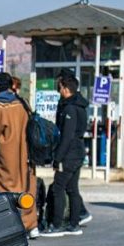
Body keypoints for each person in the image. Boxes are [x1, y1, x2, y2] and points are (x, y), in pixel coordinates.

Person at [0, 72, 37, 233]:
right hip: (27, 155)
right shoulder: (22, 104)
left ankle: (13, 227)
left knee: (7, 192)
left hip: (6, 157)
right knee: (27, 189)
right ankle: (31, 224)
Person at [41, 75, 88, 237]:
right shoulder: (80, 106)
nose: (58, 90)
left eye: (59, 87)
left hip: (69, 154)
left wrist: (58, 158)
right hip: (78, 152)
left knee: (58, 188)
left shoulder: (69, 109)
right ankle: (74, 224)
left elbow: (66, 136)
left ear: (65, 89)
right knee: (72, 188)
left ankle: (56, 225)